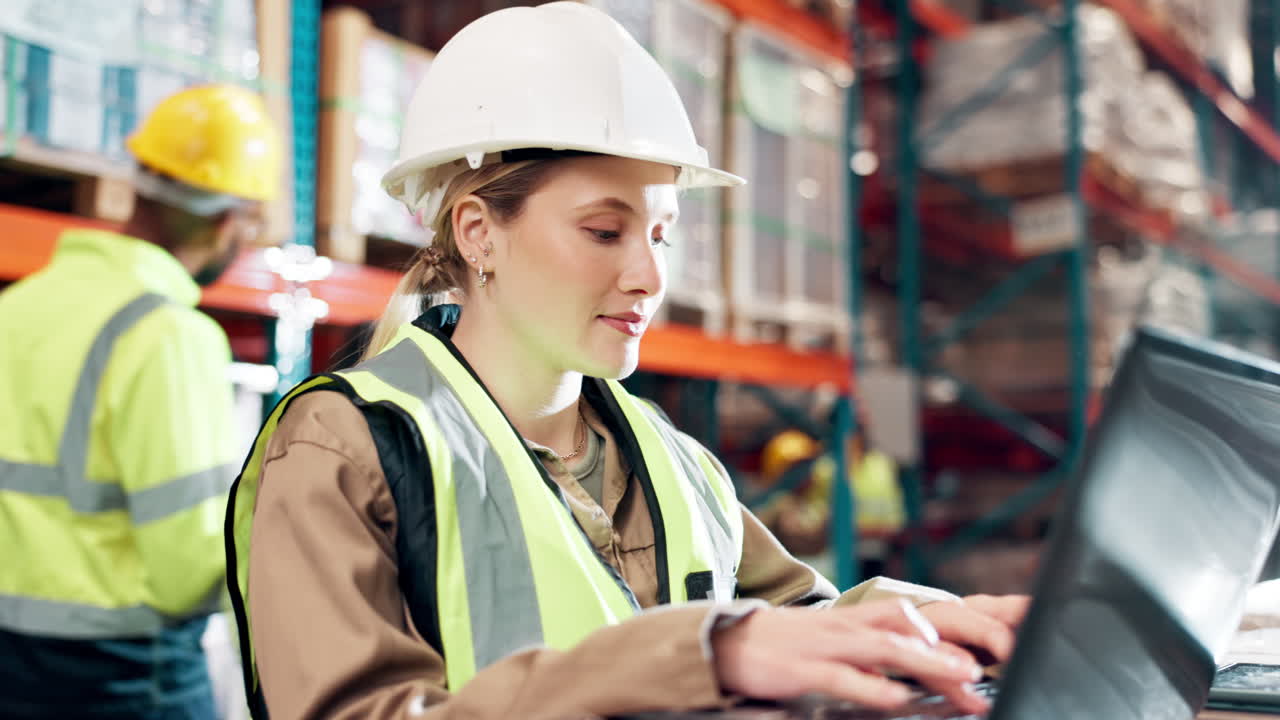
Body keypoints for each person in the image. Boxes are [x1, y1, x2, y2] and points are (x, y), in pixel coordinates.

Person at [225, 5, 1027, 720]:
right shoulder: (346, 450)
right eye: (604, 232)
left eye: (660, 234)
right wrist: (691, 660)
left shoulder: (673, 463)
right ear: (477, 233)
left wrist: (921, 625)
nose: (647, 277)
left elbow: (785, 627)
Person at [0, 84, 281, 719]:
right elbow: (185, 571)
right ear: (229, 220)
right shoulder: (167, 335)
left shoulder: (16, 308)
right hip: (123, 680)